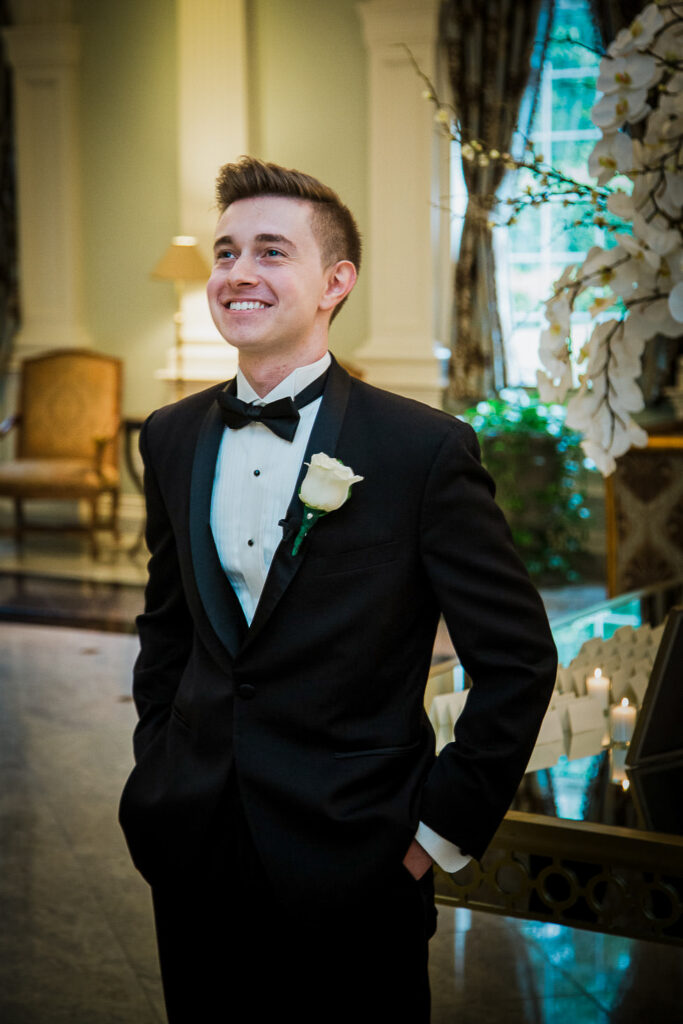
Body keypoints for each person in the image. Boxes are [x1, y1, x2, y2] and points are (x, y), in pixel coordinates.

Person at [119, 156, 557, 1024]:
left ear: (334, 281)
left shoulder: (422, 451)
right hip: (193, 840)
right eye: (226, 252)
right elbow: (167, 626)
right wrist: (157, 767)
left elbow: (515, 660)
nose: (238, 273)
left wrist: (434, 833)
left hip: (358, 854)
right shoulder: (168, 437)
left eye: (271, 252)